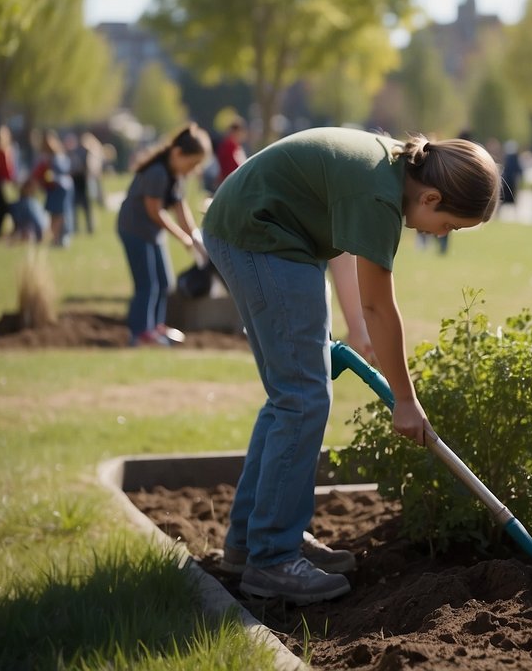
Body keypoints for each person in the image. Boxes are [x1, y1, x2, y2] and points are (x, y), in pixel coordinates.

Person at [201, 126, 499, 605]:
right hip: (260, 235)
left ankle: (251, 543)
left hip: (270, 233)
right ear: (432, 196)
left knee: (292, 397)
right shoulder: (380, 196)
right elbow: (380, 305)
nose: (443, 235)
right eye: (450, 226)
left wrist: (356, 331)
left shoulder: (388, 171)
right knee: (301, 398)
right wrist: (406, 401)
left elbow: (344, 254)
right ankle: (272, 559)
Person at [117, 124, 212, 347]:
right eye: (191, 164)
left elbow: (181, 210)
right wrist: (182, 238)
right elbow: (155, 211)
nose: (192, 170)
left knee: (164, 282)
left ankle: (156, 327)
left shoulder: (176, 175)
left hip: (152, 232)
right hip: (135, 230)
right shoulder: (157, 172)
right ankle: (140, 332)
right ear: (177, 153)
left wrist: (196, 238)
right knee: (147, 284)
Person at [31, 131, 74, 247]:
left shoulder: (58, 156)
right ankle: (55, 238)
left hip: (60, 188)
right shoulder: (45, 157)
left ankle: (59, 238)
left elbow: (63, 171)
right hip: (52, 189)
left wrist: (52, 175)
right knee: (54, 214)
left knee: (59, 214)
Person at [215, 117, 248, 190]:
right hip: (231, 184)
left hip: (229, 182)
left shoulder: (232, 146)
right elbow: (235, 167)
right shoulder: (230, 146)